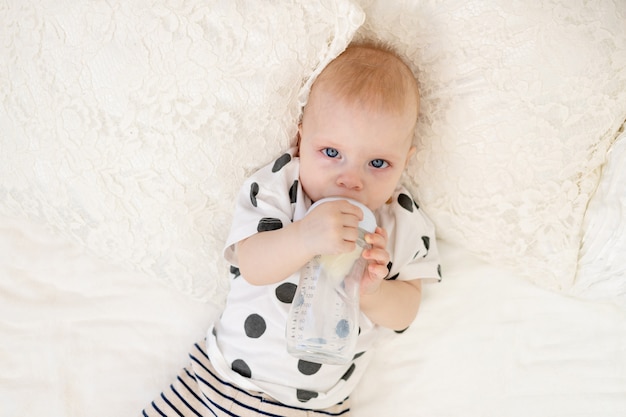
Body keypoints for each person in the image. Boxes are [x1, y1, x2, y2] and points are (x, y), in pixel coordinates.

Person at [143, 40, 441, 417]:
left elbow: (406, 313)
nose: (350, 181)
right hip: (223, 383)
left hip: (316, 408)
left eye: (378, 162)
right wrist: (303, 236)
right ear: (301, 140)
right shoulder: (283, 188)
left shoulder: (399, 221)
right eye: (331, 153)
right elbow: (251, 265)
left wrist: (373, 291)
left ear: (406, 161)